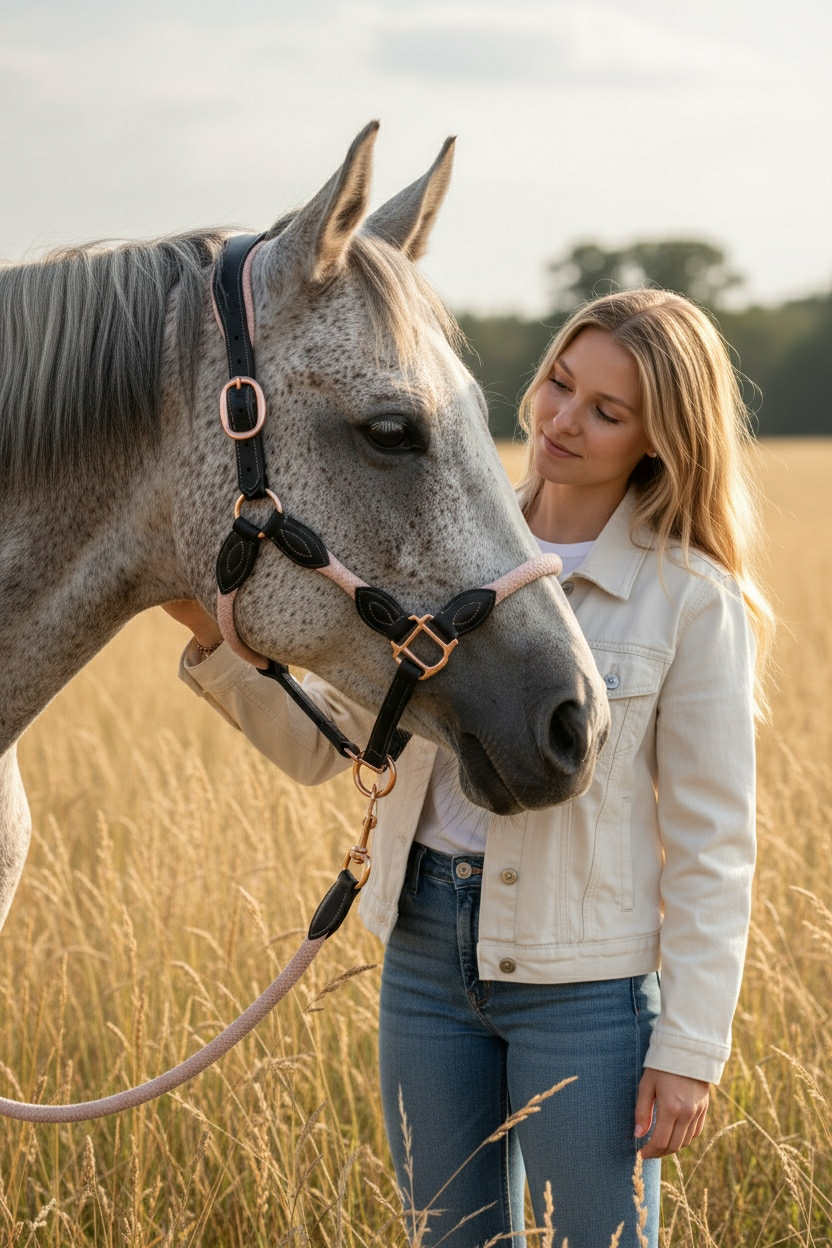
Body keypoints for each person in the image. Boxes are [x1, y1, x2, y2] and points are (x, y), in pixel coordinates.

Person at [164, 288, 772, 1248]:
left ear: (659, 439)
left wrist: (691, 1047)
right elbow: (335, 750)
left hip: (586, 993)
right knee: (448, 1239)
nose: (564, 421)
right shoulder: (435, 549)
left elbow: (713, 843)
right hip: (423, 955)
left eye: (607, 412)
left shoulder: (689, 598)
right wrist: (217, 647)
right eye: (560, 384)